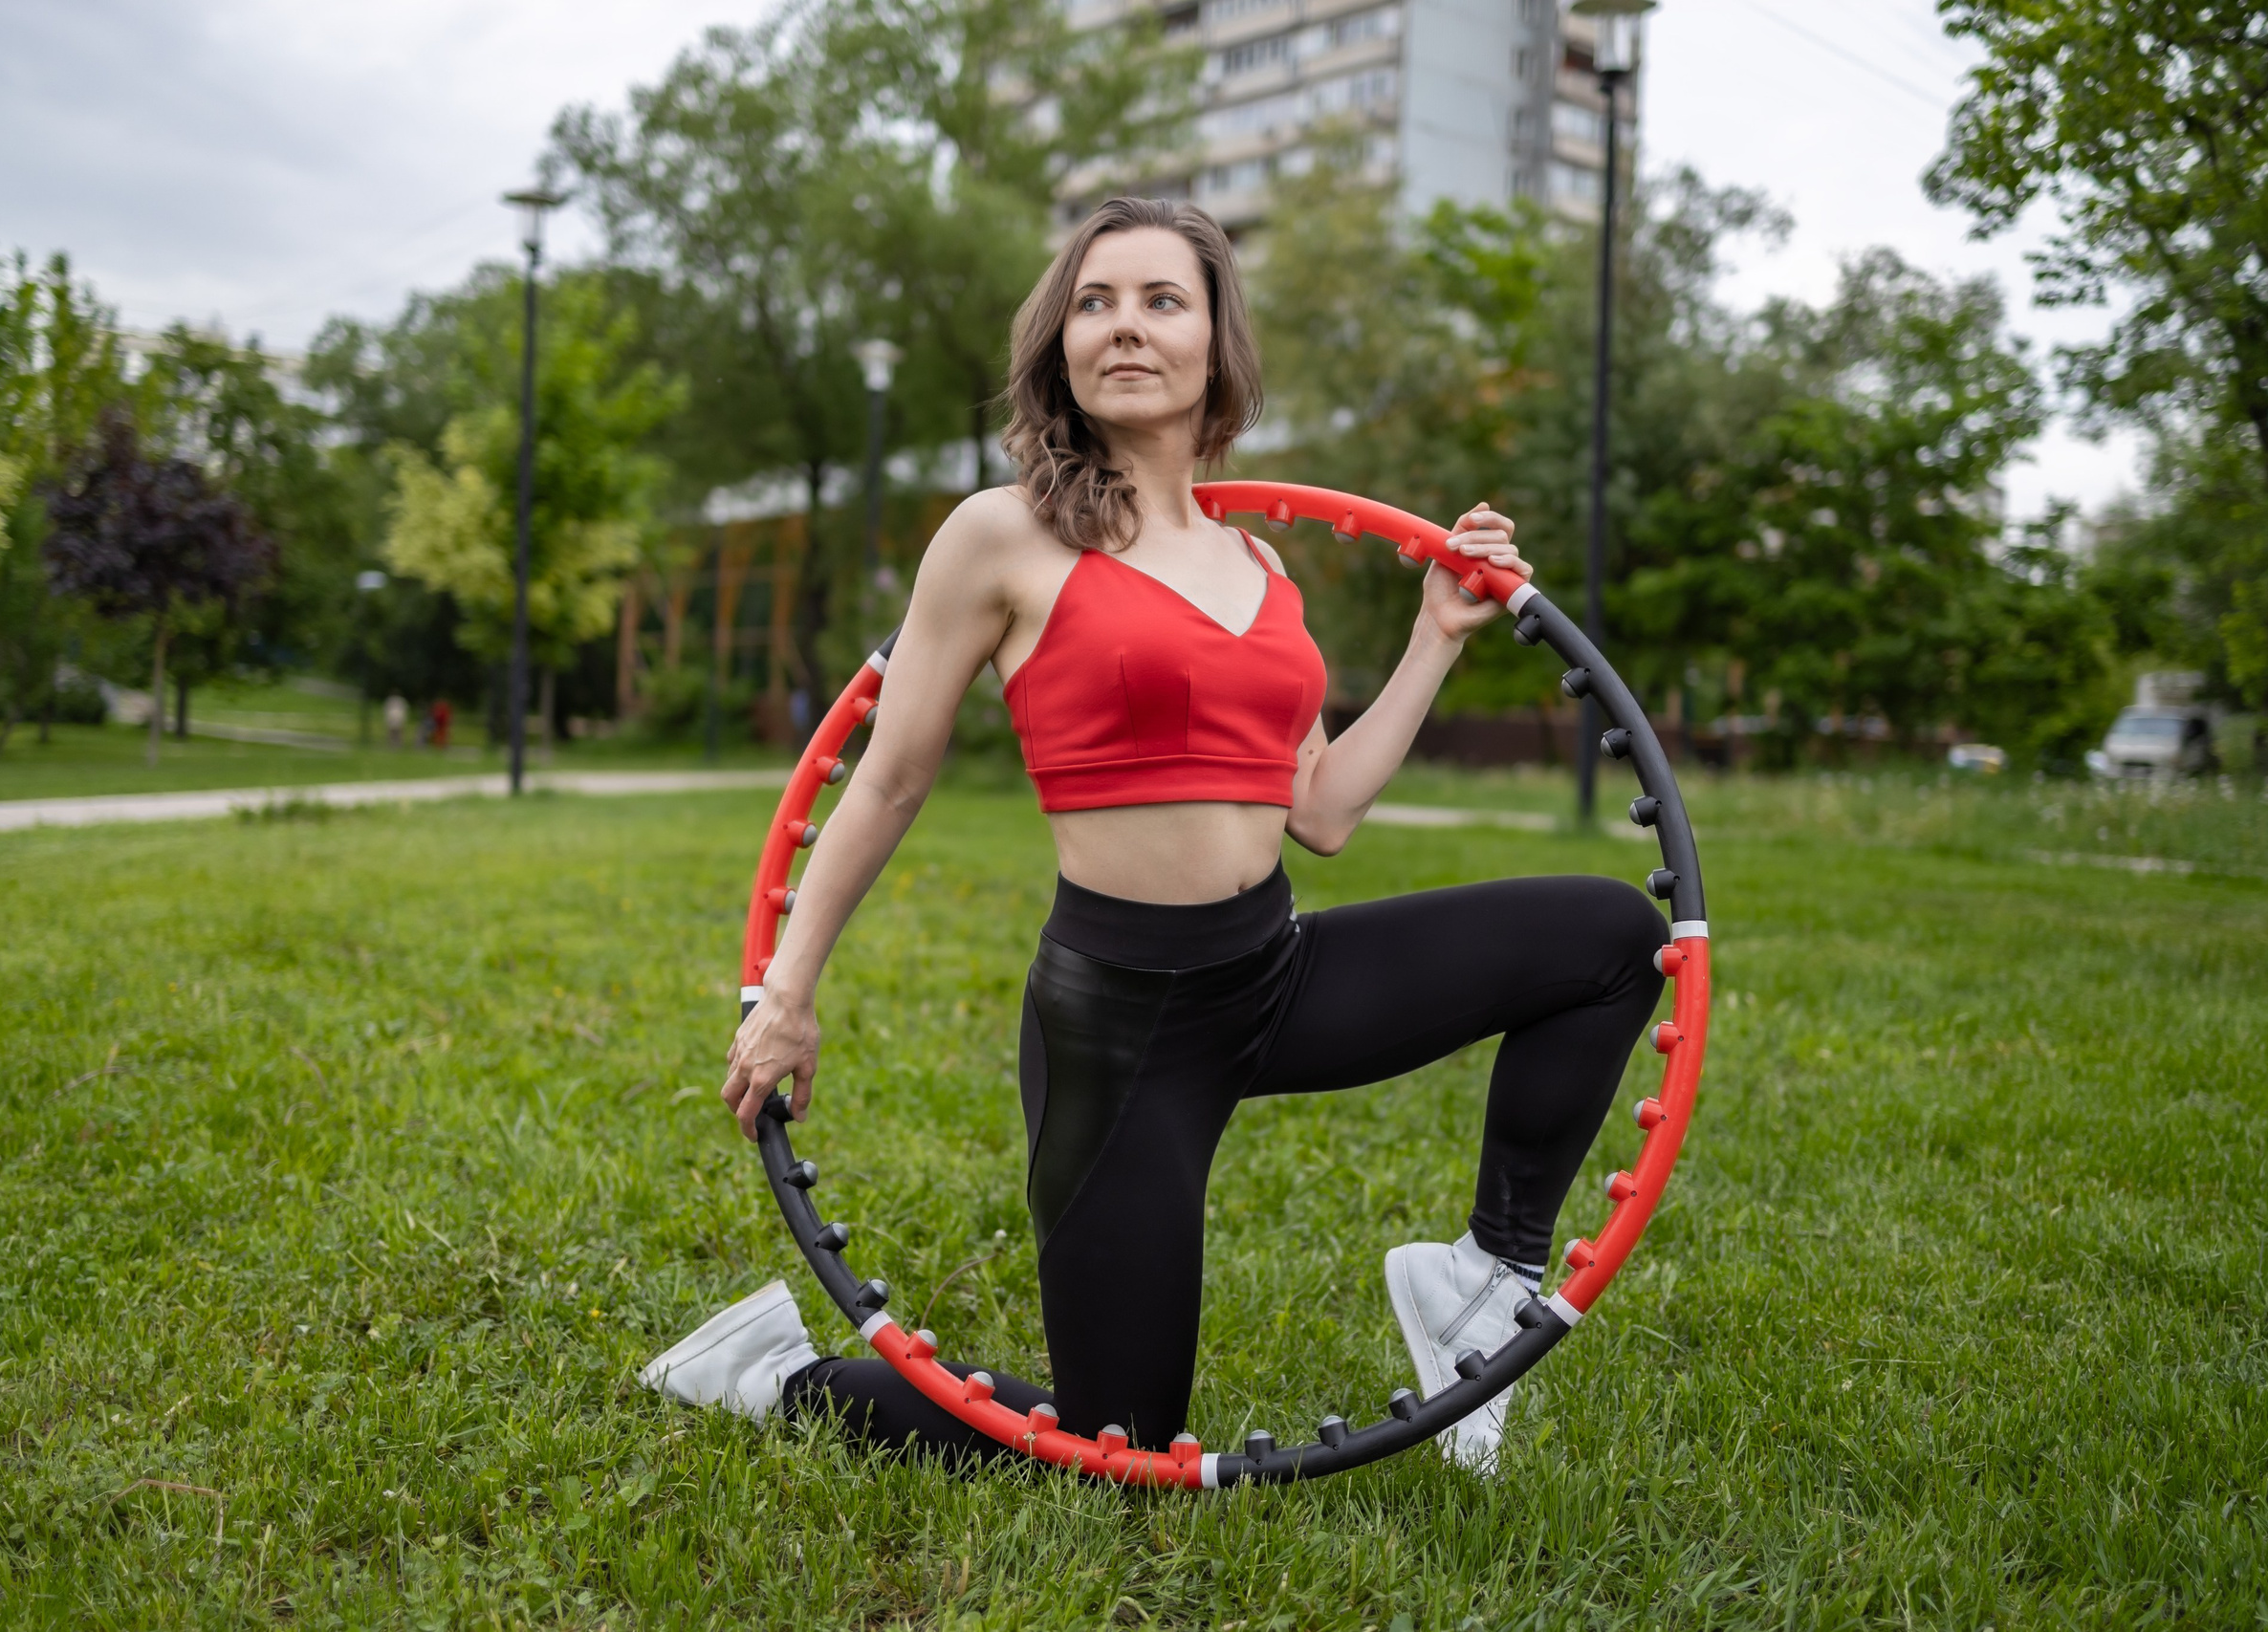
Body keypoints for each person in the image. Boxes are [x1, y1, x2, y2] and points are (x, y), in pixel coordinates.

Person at [640, 197, 1668, 1474]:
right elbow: (890, 778)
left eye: (1161, 300)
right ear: (1058, 345)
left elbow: (1325, 812)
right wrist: (784, 991)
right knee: (1115, 1444)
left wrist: (1433, 637)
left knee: (1613, 936)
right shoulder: (1001, 534)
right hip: (1121, 1029)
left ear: (1215, 341)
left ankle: (1485, 1268)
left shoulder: (1263, 569)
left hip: (1277, 976)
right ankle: (779, 1375)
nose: (1124, 325)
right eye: (1094, 301)